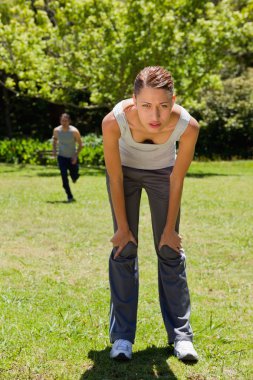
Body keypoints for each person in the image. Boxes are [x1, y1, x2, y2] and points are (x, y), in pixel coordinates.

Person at [102, 66, 200, 362]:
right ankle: (122, 337)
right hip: (125, 174)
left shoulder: (188, 126)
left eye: (163, 106)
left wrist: (170, 229)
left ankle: (181, 336)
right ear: (133, 100)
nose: (155, 116)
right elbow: (115, 177)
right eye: (146, 105)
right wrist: (121, 227)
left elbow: (177, 179)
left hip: (163, 174)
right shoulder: (113, 122)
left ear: (174, 100)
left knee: (169, 249)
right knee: (125, 248)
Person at [52, 113, 83, 202]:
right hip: (61, 157)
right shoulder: (56, 130)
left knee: (74, 175)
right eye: (62, 120)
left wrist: (75, 156)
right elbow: (54, 141)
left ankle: (75, 177)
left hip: (72, 157)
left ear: (69, 121)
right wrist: (54, 151)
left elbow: (81, 145)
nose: (64, 122)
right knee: (64, 176)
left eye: (65, 121)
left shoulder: (74, 131)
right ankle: (69, 196)